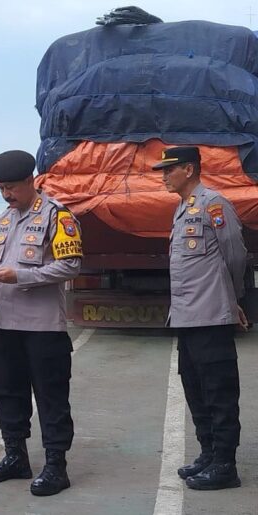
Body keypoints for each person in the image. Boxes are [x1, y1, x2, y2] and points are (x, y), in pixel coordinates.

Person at [0, 150, 82, 496]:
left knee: (51, 397)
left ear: (31, 181)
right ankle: (16, 456)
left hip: (42, 328)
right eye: (0, 188)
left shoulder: (57, 216)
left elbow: (70, 266)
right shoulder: (5, 219)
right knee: (7, 393)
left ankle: (56, 465)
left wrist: (20, 275)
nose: (6, 194)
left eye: (11, 188)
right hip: (4, 323)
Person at [152, 146, 247, 490]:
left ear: (189, 170)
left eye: (168, 169)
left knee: (219, 391)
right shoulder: (183, 209)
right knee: (195, 388)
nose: (163, 176)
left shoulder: (213, 205)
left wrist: (232, 298)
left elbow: (236, 254)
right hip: (186, 317)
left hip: (210, 316)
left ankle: (225, 464)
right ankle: (208, 452)